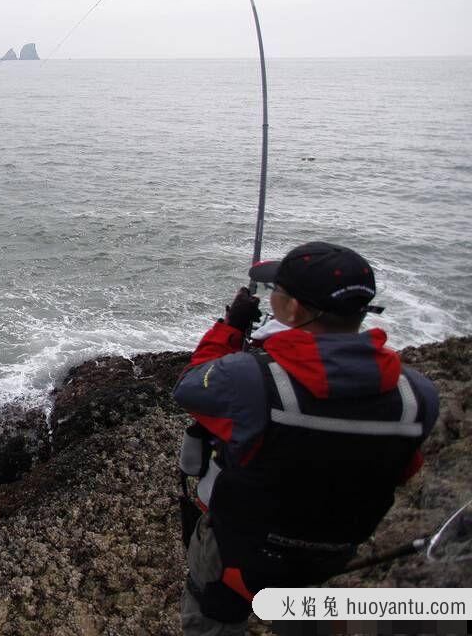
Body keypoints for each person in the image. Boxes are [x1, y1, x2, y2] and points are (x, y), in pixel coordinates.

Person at [172, 242, 439, 634]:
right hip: (329, 553)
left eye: (276, 290)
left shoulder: (254, 380)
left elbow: (190, 388)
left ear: (292, 308)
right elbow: (402, 469)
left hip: (240, 554)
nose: (272, 296)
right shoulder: (417, 395)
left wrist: (231, 327)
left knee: (212, 615)